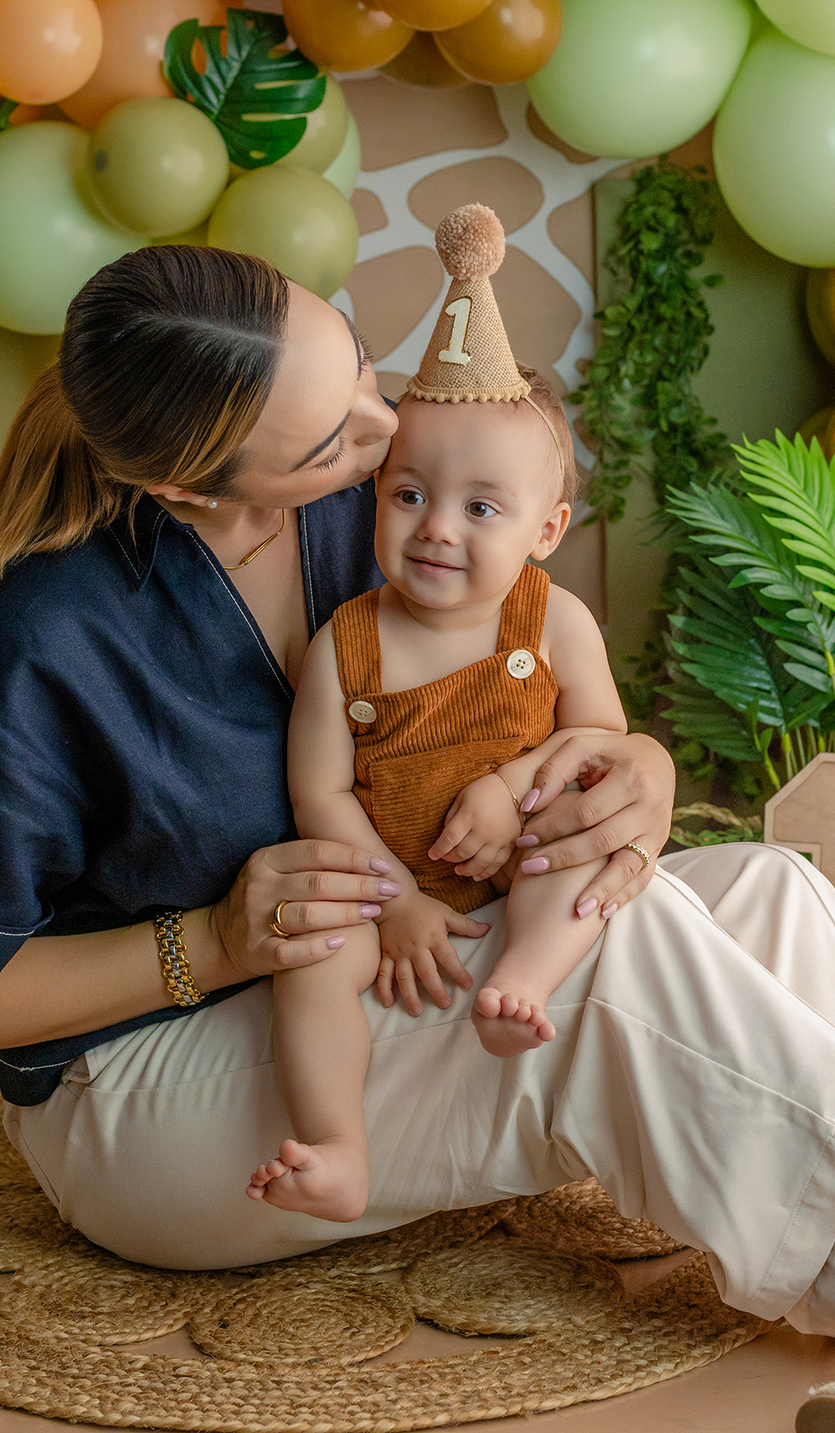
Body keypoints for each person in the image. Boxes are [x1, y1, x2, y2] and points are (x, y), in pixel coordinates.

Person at [0, 243, 835, 1433]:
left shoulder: (377, 504)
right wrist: (215, 941)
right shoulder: (32, 645)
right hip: (142, 1099)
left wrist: (638, 772)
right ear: (188, 487)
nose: (383, 428)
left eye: (358, 369)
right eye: (329, 441)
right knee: (620, 955)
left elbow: (552, 685)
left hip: (393, 964)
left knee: (774, 894)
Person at [249, 206, 628, 1221]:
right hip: (392, 885)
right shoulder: (347, 644)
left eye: (481, 508)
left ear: (547, 530)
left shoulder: (555, 622)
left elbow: (602, 744)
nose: (437, 529)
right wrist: (392, 902)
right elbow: (320, 793)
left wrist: (512, 786)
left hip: (520, 860)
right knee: (313, 952)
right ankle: (339, 1145)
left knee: (572, 844)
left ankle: (525, 982)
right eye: (409, 494)